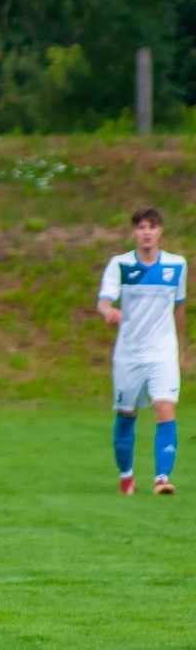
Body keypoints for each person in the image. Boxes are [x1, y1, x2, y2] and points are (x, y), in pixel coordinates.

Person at [97, 207, 186, 495]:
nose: (146, 232)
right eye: (141, 227)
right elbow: (104, 300)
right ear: (134, 232)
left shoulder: (176, 265)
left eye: (152, 226)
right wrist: (108, 311)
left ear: (160, 231)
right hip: (129, 354)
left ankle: (161, 478)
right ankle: (126, 475)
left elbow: (180, 306)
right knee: (127, 413)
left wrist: (181, 348)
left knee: (164, 407)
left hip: (162, 352)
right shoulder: (120, 265)